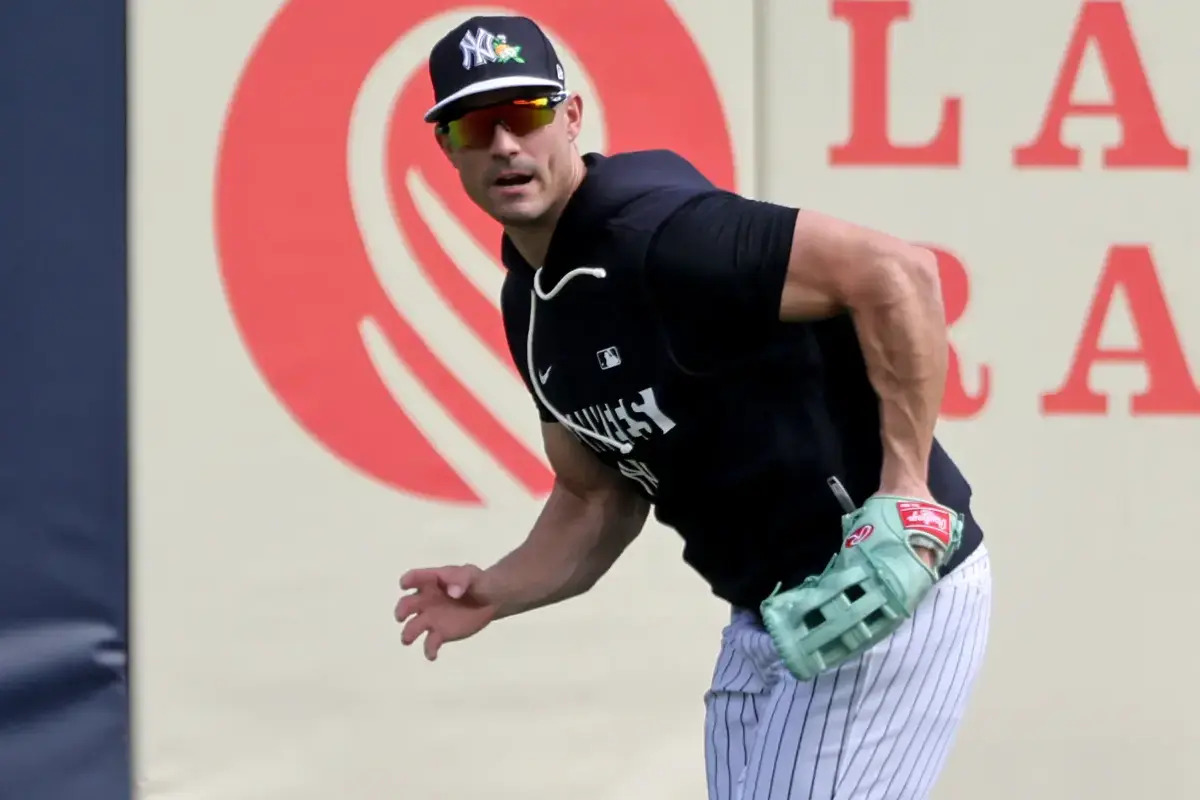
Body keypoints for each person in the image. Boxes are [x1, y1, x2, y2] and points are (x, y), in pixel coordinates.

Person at [395, 14, 992, 800]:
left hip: (888, 584)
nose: (506, 144)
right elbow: (594, 495)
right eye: (478, 123)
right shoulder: (530, 302)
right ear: (449, 148)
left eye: (528, 114)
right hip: (771, 620)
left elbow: (900, 274)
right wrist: (496, 588)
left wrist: (907, 490)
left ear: (570, 119)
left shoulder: (663, 232)